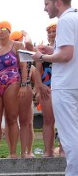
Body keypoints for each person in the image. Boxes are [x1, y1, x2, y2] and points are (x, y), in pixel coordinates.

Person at [34, 0, 78, 176]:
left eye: (47, 3)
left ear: (58, 2)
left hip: (67, 85)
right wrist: (52, 49)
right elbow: (68, 51)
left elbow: (67, 55)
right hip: (73, 82)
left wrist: (41, 57)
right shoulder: (75, 18)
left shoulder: (66, 20)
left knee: (69, 134)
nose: (45, 8)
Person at [0, 20, 29, 159]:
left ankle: (13, 152)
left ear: (9, 31)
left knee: (11, 118)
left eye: (3, 28)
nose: (0, 31)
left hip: (12, 82)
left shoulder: (17, 45)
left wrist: (23, 85)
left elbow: (24, 66)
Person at [31, 23, 57, 157]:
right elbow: (37, 70)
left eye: (54, 31)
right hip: (47, 86)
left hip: (61, 85)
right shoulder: (43, 49)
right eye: (49, 32)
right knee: (48, 120)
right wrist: (40, 87)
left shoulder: (65, 48)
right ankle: (48, 151)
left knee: (64, 120)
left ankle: (64, 150)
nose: (51, 34)